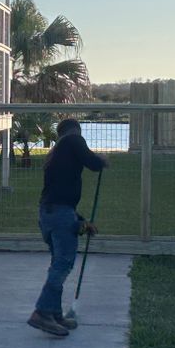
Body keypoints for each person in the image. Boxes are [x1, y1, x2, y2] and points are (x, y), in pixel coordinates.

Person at [28, 118, 108, 337]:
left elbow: (60, 197)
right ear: (75, 131)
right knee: (62, 265)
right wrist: (101, 161)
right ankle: (42, 312)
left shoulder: (55, 153)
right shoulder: (73, 139)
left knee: (58, 264)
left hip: (48, 214)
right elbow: (92, 162)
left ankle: (54, 313)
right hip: (59, 214)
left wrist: (80, 222)